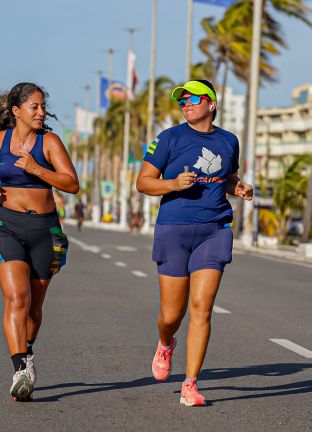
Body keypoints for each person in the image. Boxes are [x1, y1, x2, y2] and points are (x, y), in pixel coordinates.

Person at [136, 79, 253, 406]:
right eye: (182, 100)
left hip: (214, 229)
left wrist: (240, 188)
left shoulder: (229, 141)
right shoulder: (168, 138)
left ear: (211, 104)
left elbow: (228, 179)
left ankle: (190, 384)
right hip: (174, 229)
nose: (186, 104)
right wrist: (173, 183)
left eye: (193, 99)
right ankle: (165, 340)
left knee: (202, 307)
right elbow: (143, 183)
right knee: (172, 315)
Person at [0, 82, 79, 402]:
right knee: (16, 298)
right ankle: (20, 367)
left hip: (45, 230)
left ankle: (28, 352)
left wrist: (37, 168)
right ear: (16, 111)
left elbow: (72, 183)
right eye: (34, 106)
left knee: (34, 307)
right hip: (7, 224)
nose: (41, 112)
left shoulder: (49, 142)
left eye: (43, 106)